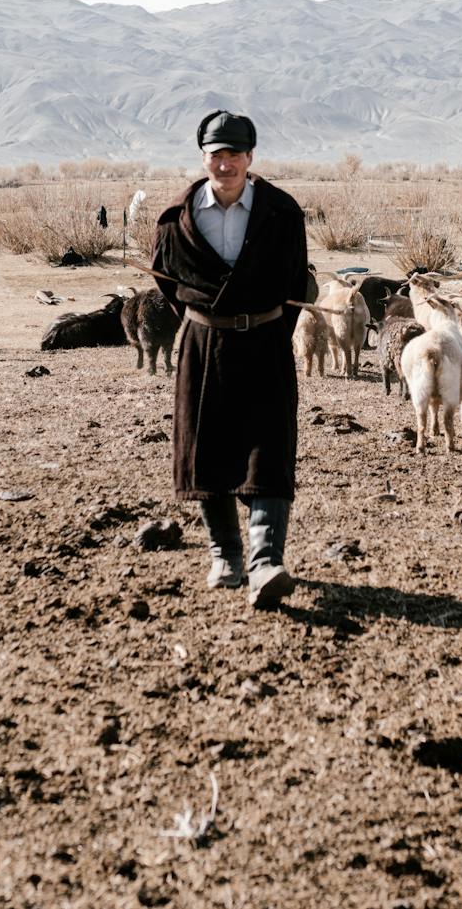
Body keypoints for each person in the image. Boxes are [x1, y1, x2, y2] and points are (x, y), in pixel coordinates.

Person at [150, 111, 309, 608]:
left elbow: (295, 284)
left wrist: (257, 321)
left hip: (265, 341)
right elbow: (168, 283)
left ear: (250, 157)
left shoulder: (283, 213)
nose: (225, 164)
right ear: (204, 158)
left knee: (270, 446)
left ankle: (266, 562)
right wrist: (206, 319)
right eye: (217, 155)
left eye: (234, 155)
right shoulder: (174, 218)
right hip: (203, 343)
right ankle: (226, 555)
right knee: (206, 446)